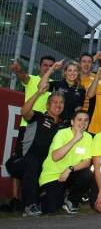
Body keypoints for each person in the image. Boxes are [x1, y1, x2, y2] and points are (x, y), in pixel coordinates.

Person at [5, 86, 64, 217]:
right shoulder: (38, 117)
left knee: (52, 206)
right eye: (55, 102)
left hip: (41, 171)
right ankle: (29, 205)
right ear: (48, 105)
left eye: (61, 103)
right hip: (19, 162)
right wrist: (38, 93)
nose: (58, 105)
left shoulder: (63, 126)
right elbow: (24, 111)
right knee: (33, 161)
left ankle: (31, 203)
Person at [39, 110, 93, 214]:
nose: (83, 123)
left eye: (86, 120)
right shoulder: (62, 133)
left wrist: (70, 169)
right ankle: (49, 195)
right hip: (53, 176)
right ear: (72, 122)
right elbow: (55, 157)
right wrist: (74, 140)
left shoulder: (88, 137)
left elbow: (87, 162)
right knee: (51, 208)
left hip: (70, 173)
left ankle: (72, 200)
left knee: (87, 174)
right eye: (79, 120)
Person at [11, 56, 55, 127]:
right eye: (45, 65)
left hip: (45, 127)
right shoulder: (31, 79)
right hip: (27, 124)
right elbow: (23, 76)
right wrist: (19, 70)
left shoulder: (55, 85)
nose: (47, 68)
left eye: (50, 66)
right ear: (39, 67)